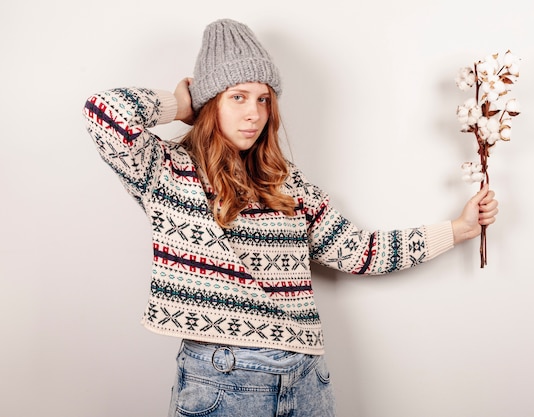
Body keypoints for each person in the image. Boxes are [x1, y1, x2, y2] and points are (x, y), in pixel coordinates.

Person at [83, 18, 498, 417]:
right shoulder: (167, 171)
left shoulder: (286, 183)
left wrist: (460, 229)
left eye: (263, 99)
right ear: (211, 102)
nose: (254, 113)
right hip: (224, 380)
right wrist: (181, 104)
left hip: (306, 379)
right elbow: (104, 113)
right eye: (237, 96)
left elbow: (358, 252)